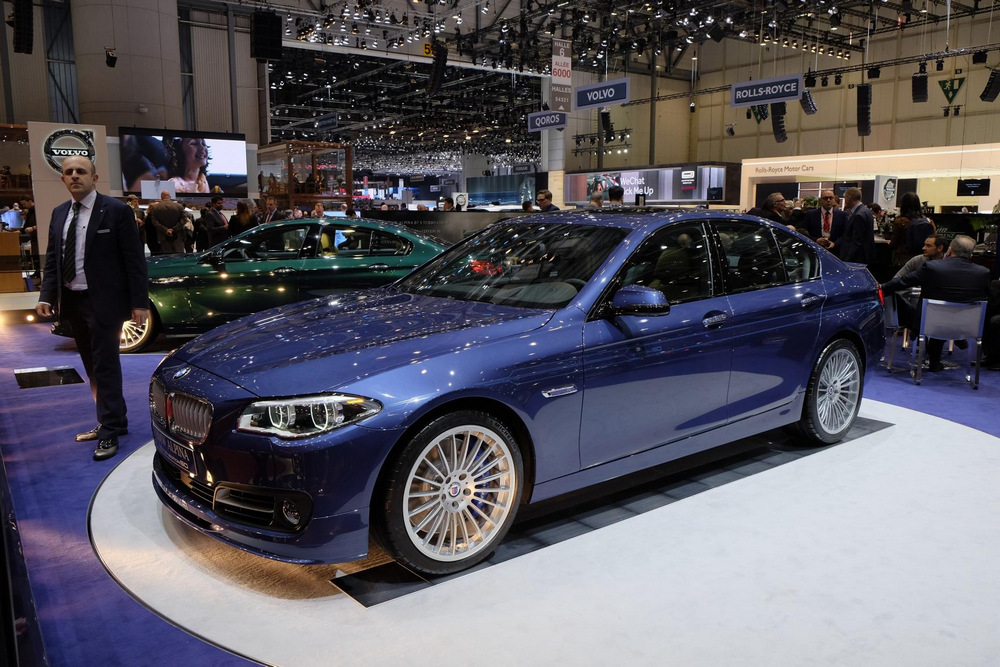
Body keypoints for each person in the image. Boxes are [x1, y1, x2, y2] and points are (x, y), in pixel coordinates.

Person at [35, 156, 148, 461]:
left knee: (105, 365)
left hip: (105, 302)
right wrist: (46, 296)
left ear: (94, 178)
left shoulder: (116, 211)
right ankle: (116, 420)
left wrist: (139, 303)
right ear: (63, 179)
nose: (74, 176)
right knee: (92, 366)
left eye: (81, 171)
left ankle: (109, 429)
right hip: (73, 302)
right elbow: (53, 260)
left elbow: (134, 260)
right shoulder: (59, 213)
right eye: (69, 172)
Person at [881, 234, 990, 372]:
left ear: (949, 250)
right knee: (946, 316)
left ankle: (931, 359)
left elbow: (903, 281)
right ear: (971, 254)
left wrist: (881, 288)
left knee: (908, 306)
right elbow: (986, 297)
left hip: (931, 324)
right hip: (966, 326)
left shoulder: (933, 268)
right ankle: (938, 360)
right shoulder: (983, 273)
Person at [892, 192, 935, 267]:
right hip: (924, 258)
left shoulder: (901, 222)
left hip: (905, 258)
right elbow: (934, 238)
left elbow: (894, 243)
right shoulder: (929, 221)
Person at [838, 187, 875, 264]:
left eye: (845, 197)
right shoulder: (866, 211)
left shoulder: (858, 215)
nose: (844, 200)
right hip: (865, 255)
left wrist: (847, 260)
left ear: (849, 197)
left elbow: (856, 241)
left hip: (857, 258)